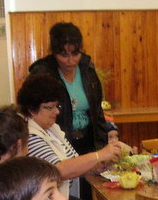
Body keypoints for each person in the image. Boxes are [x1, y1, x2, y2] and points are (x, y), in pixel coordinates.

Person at [17, 72, 121, 200]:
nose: (56, 111)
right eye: (49, 107)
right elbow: (58, 171)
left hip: (57, 196)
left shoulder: (52, 129)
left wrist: (95, 167)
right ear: (32, 110)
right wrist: (99, 155)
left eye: (57, 106)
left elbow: (73, 161)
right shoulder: (30, 134)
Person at [29, 22, 108, 157]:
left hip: (88, 140)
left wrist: (103, 146)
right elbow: (33, 114)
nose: (70, 60)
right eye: (64, 55)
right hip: (57, 143)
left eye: (75, 54)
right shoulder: (42, 73)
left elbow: (97, 112)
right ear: (54, 53)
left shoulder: (87, 70)